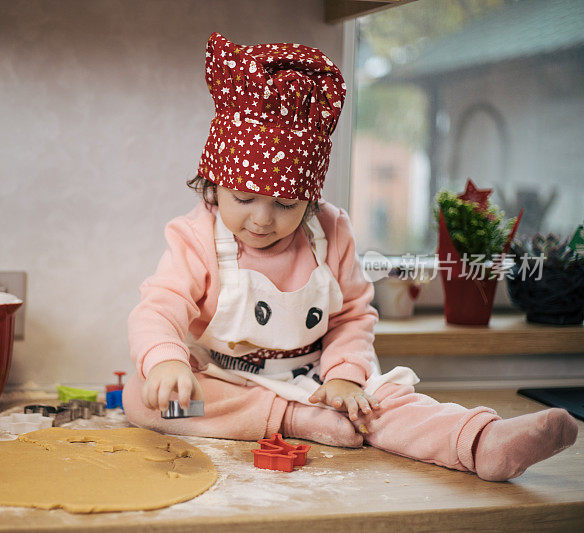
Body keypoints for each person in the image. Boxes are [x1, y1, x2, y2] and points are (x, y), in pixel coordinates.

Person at [124, 32, 577, 481]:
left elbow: (351, 318)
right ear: (213, 183)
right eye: (244, 198)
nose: (262, 220)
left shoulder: (331, 231)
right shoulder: (195, 235)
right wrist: (166, 361)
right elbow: (158, 308)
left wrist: (344, 377)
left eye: (286, 204)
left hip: (321, 382)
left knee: (386, 405)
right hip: (231, 387)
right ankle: (293, 420)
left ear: (309, 198)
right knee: (143, 398)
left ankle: (481, 442)